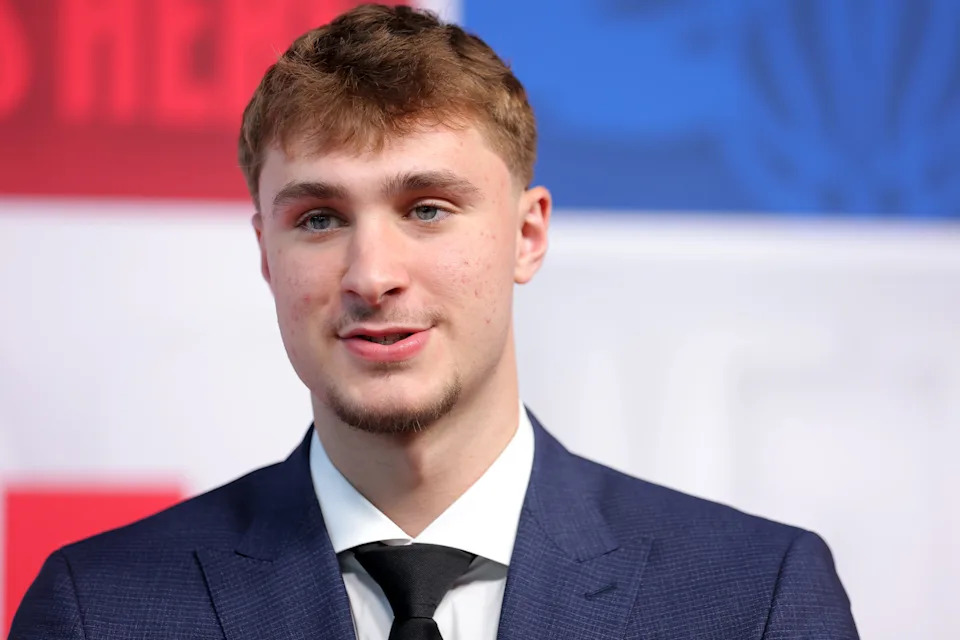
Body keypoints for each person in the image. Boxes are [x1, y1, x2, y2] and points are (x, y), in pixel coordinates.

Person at [12, 4, 859, 639]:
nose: (373, 276)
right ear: (266, 254)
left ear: (526, 235)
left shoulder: (754, 597)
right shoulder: (101, 608)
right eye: (318, 219)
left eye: (426, 208)